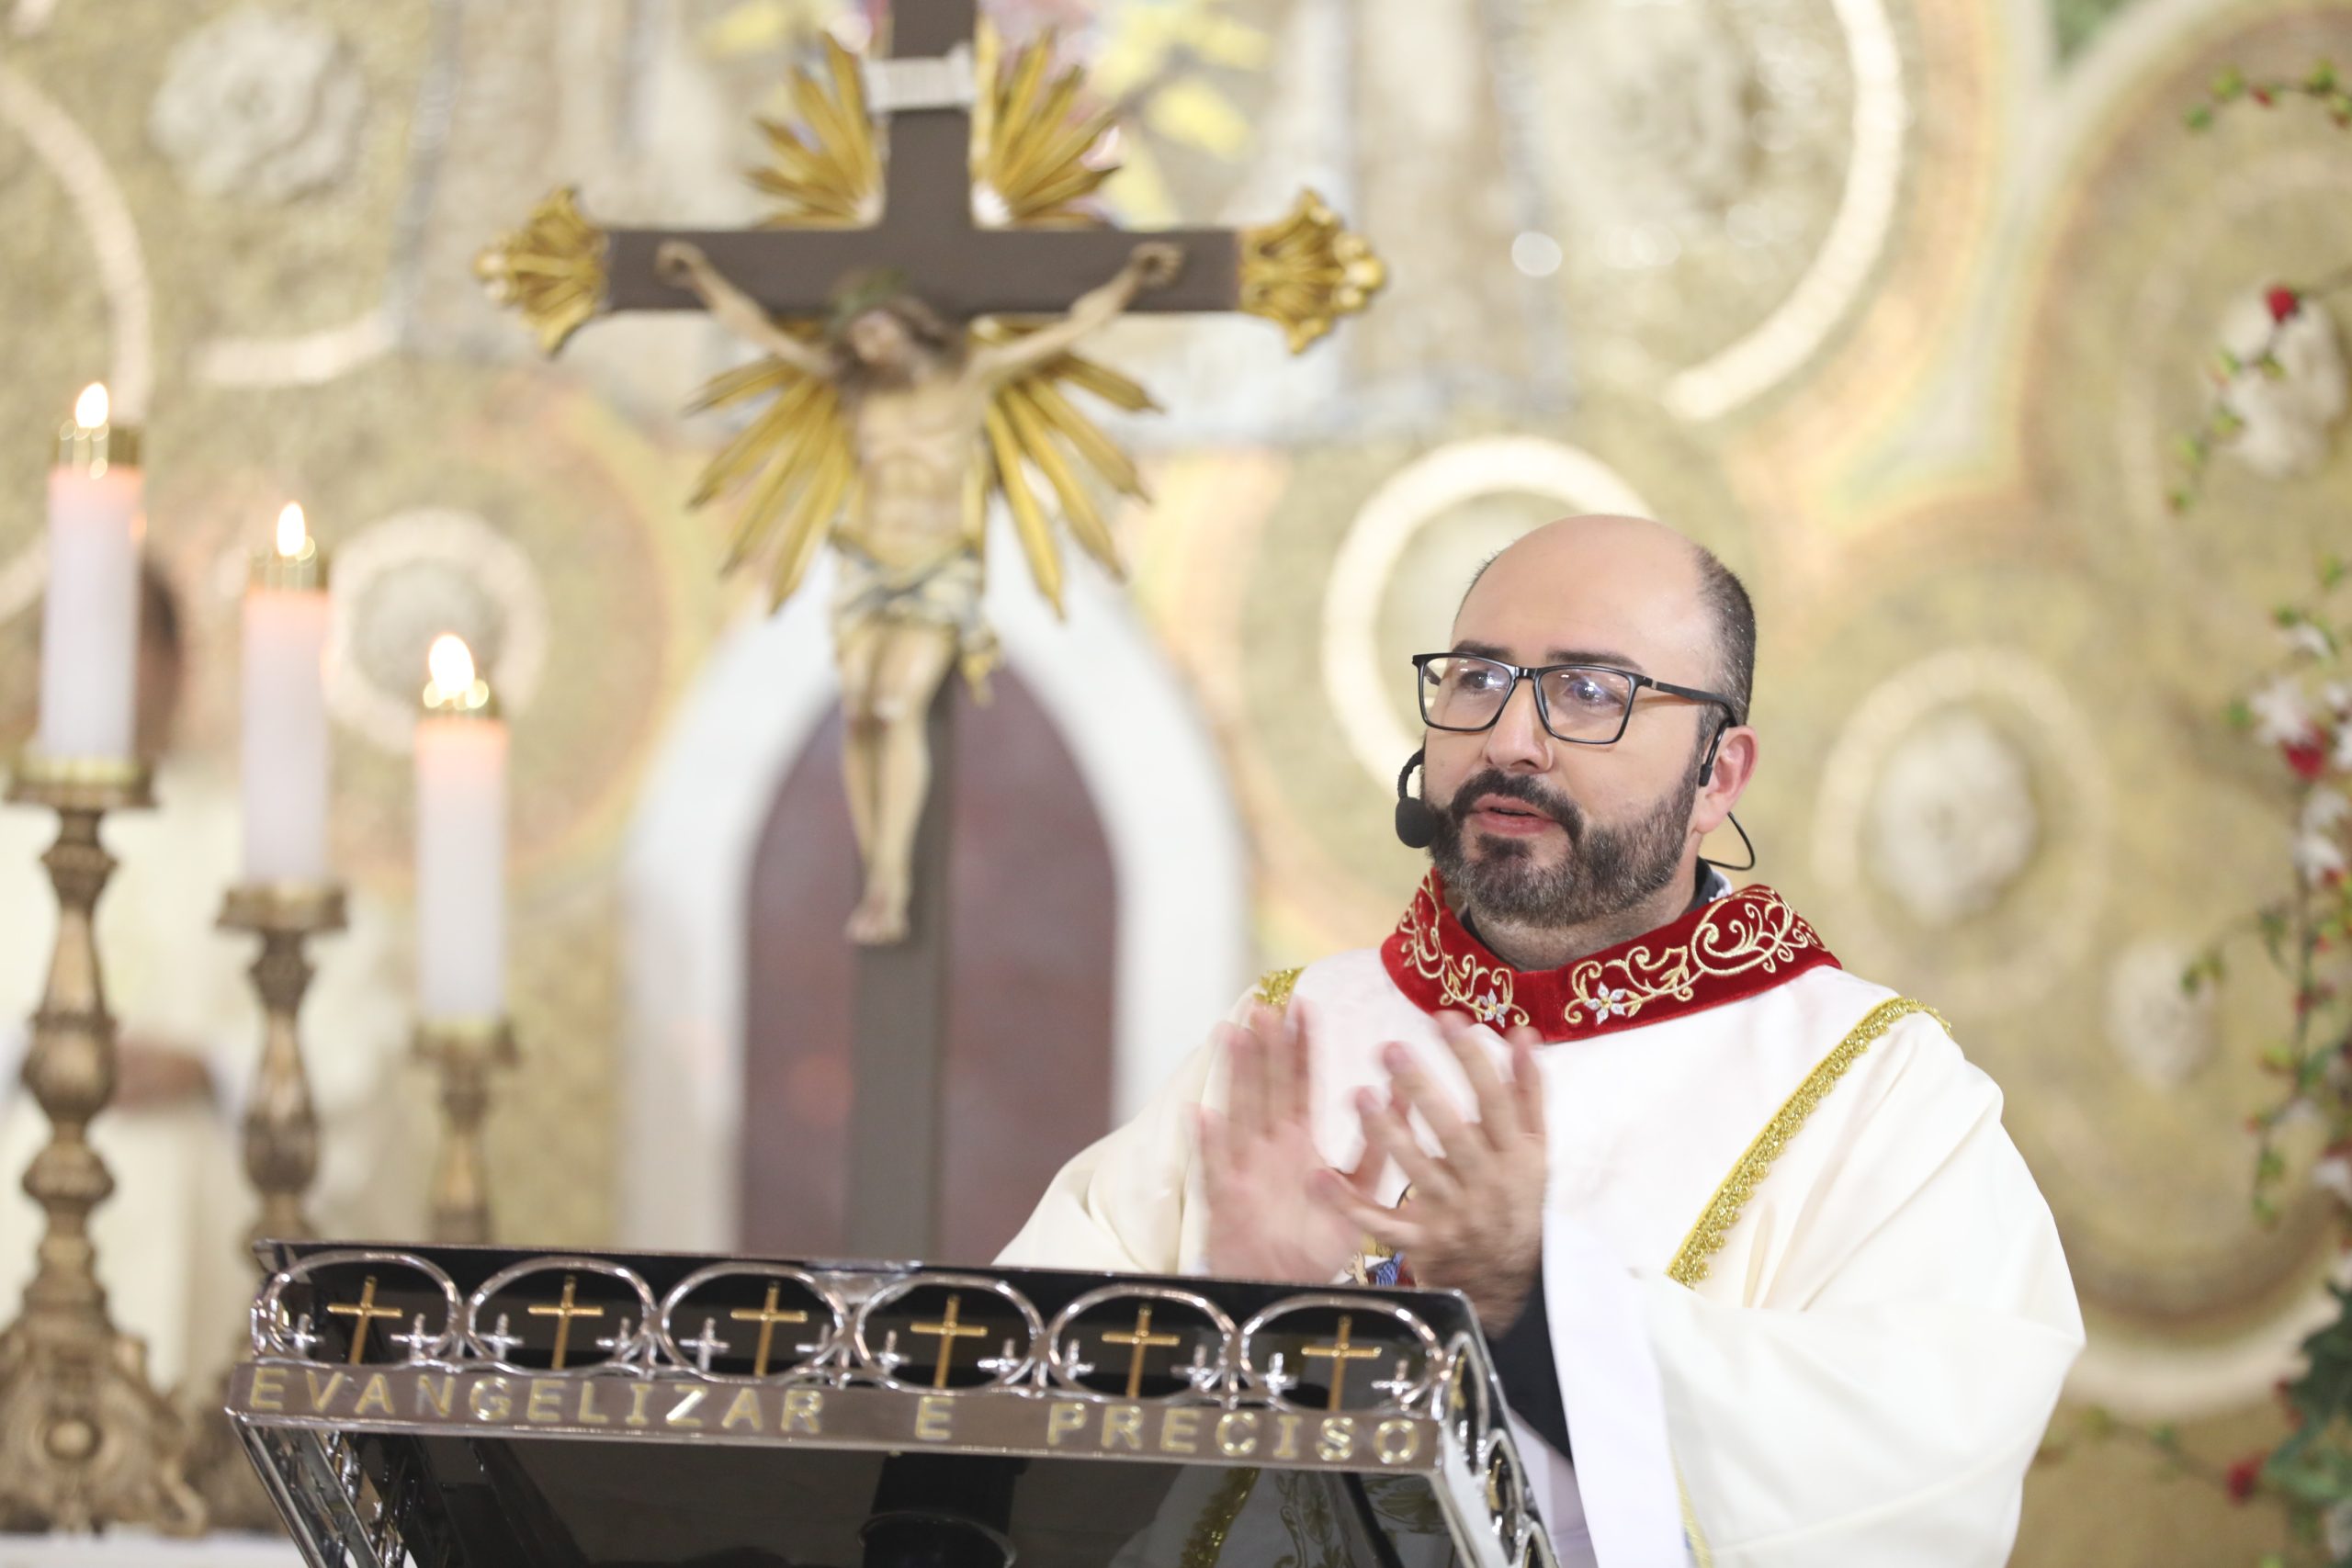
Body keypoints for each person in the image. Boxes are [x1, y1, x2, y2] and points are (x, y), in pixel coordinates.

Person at [999, 514, 2083, 1566]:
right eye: (1476, 678)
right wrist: (1236, 1320)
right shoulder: (1284, 1036)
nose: (1510, 740)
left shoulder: (1875, 1086)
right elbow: (1000, 1443)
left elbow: (1916, 1472)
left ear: (1717, 775)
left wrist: (1536, 1308)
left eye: (1589, 691)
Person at [656, 238, 1184, 944]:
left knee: (895, 703)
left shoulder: (971, 376)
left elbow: (1069, 330)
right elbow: (764, 332)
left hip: (936, 565)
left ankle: (889, 880)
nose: (870, 348)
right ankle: (872, 860)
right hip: (868, 560)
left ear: (908, 322)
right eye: (858, 340)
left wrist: (1128, 282)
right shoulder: (856, 389)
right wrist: (701, 280)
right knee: (858, 709)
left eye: (878, 331)